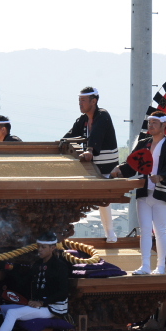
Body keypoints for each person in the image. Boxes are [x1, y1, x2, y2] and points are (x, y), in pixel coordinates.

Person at [111, 111, 166, 274]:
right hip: (143, 191)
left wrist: (160, 177)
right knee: (145, 230)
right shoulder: (143, 143)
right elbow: (131, 163)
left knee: (160, 230)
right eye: (149, 122)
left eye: (154, 122)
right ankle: (145, 265)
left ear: (163, 125)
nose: (151, 125)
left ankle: (161, 266)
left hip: (161, 192)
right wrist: (119, 170)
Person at [64, 86, 119, 243]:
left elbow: (96, 135)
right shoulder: (82, 120)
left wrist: (89, 150)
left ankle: (110, 234)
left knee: (103, 201)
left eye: (83, 100)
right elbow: (70, 135)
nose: (80, 104)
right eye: (79, 100)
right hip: (91, 167)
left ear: (93, 101)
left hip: (105, 166)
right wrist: (60, 144)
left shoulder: (103, 115)